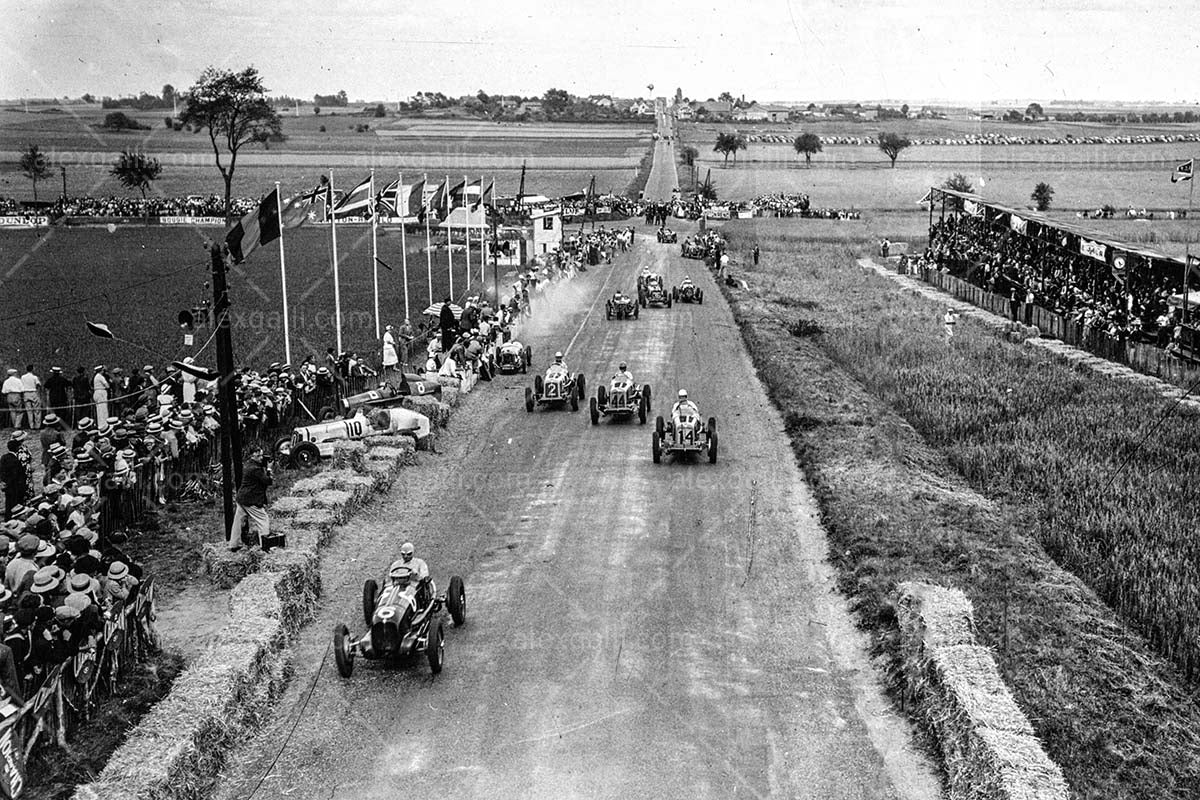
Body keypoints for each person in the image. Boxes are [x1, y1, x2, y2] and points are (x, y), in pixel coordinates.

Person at [227, 447, 272, 551]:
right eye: (258, 456)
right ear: (252, 456)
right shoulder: (255, 469)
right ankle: (265, 547)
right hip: (251, 500)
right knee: (263, 520)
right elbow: (267, 481)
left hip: (242, 498)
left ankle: (234, 544)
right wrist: (269, 469)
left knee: (238, 522)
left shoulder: (248, 464)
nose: (261, 458)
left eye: (262, 455)